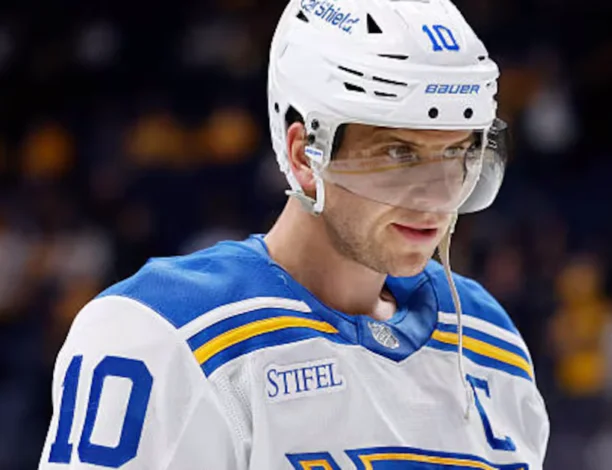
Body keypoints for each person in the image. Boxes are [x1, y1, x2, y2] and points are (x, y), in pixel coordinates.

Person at [38, 0, 549, 468]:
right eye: (399, 154)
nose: (435, 197)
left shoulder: (487, 338)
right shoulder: (165, 331)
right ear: (306, 155)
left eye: (457, 152)